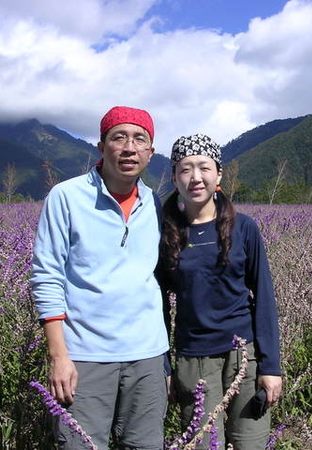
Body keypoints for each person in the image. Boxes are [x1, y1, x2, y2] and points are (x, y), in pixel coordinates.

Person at [30, 106, 169, 449]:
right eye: (118, 137)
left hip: (147, 356)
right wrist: (58, 356)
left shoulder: (155, 204)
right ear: (101, 145)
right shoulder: (66, 196)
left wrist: (165, 360)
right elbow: (46, 277)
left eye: (140, 139)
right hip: (84, 355)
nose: (129, 147)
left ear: (151, 153)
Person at [157, 134, 282, 450]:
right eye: (185, 169)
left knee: (250, 443)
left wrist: (270, 367)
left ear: (219, 174)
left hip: (245, 355)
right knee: (202, 444)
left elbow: (264, 298)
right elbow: (157, 305)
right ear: (174, 177)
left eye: (204, 167)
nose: (196, 178)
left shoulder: (244, 228)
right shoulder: (165, 232)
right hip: (193, 358)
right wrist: (164, 366)